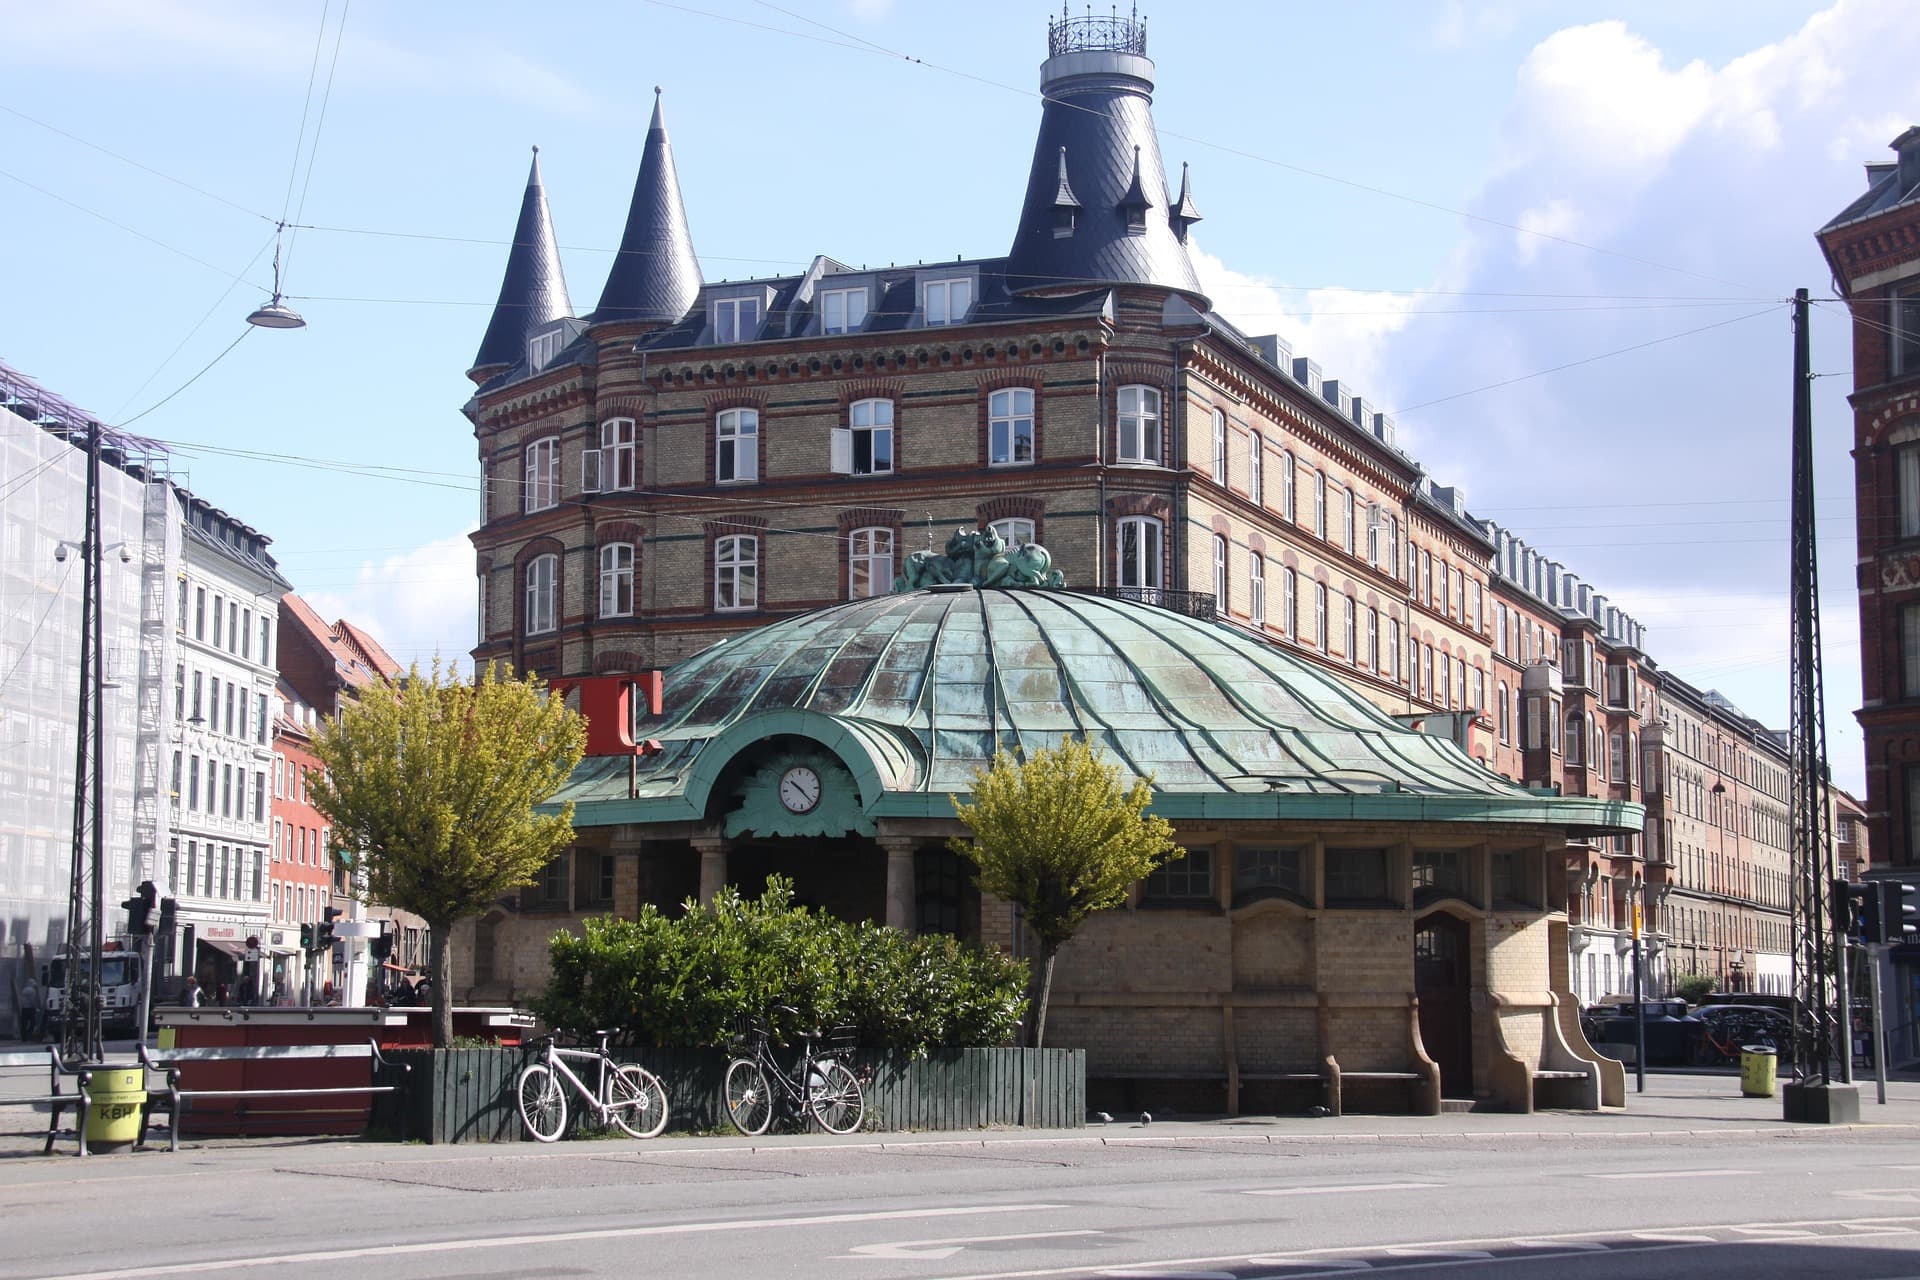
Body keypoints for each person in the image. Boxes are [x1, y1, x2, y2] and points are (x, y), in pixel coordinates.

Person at [17, 973, 39, 1041]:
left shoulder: (24, 990)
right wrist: (35, 1008)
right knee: (32, 1023)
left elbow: (22, 1000)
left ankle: (23, 1037)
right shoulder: (32, 991)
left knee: (24, 1023)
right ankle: (29, 1035)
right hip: (30, 1008)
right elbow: (32, 1000)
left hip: (24, 1008)